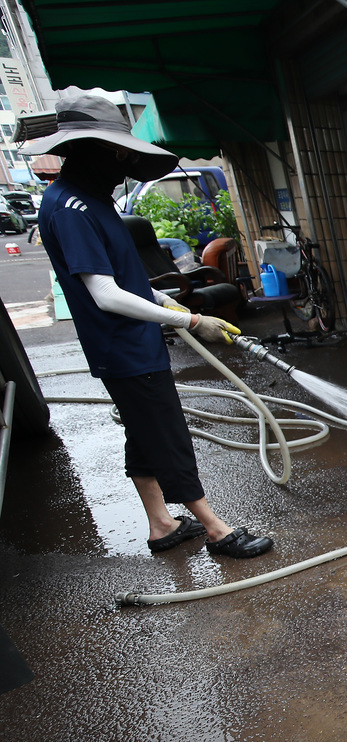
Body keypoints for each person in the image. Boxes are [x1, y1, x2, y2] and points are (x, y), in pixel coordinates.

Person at [26, 94, 273, 557]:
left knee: (143, 433)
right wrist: (192, 319)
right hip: (123, 348)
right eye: (115, 152)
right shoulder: (71, 208)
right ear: (83, 149)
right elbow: (105, 294)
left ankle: (162, 525)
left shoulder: (93, 201)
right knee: (166, 434)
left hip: (132, 343)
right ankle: (216, 530)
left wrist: (171, 304)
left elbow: (127, 281)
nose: (123, 162)